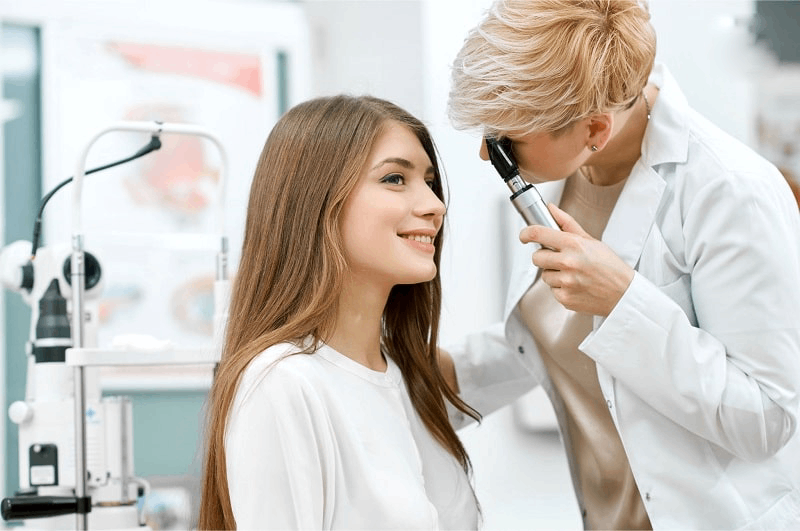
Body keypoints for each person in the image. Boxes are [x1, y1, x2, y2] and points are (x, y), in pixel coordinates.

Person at [441, 0, 800, 529]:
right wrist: (423, 379)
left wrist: (625, 301)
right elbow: (563, 339)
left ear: (594, 130)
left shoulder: (730, 190)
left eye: (505, 139)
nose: (485, 154)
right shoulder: (564, 174)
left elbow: (767, 419)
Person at [197, 95, 480, 530]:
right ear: (314, 200)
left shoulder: (407, 377)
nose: (434, 205)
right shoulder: (284, 383)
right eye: (394, 178)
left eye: (429, 181)